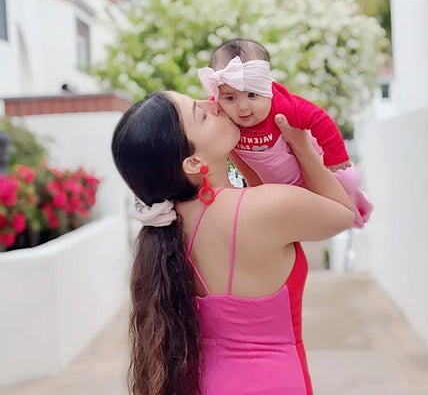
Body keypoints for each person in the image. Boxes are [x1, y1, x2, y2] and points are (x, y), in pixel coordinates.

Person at [111, 90, 354, 395]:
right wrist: (299, 143)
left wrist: (237, 152)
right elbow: (344, 212)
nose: (215, 104)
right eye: (202, 113)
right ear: (193, 161)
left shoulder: (167, 229)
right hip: (275, 382)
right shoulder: (264, 208)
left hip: (204, 383)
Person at [198, 38, 373, 228]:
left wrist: (335, 156)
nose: (242, 107)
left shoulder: (283, 107)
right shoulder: (222, 115)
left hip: (311, 170)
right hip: (278, 187)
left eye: (252, 95)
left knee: (348, 179)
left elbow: (319, 118)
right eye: (230, 98)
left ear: (265, 88)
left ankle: (359, 206)